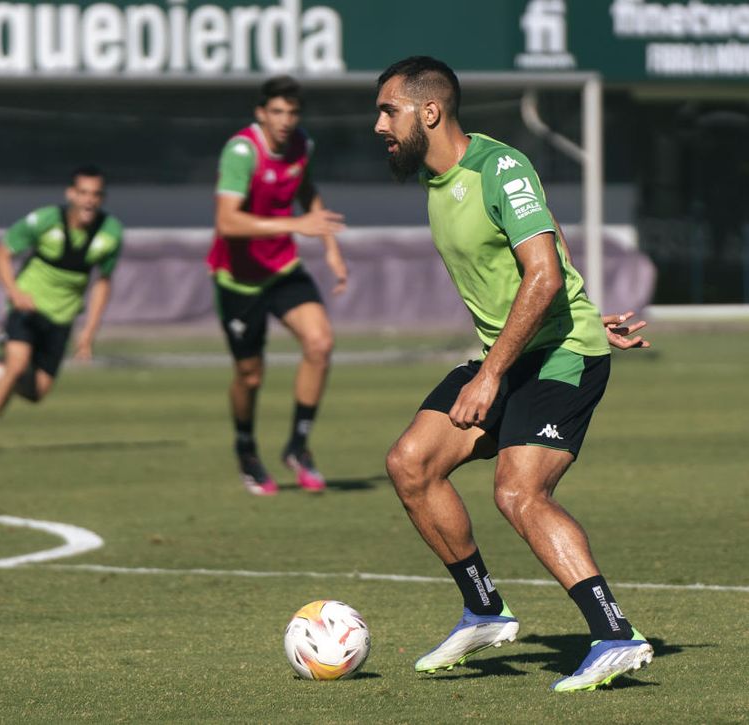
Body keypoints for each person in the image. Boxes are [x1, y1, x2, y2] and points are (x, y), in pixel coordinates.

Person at [374, 56, 653, 692]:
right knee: (410, 464)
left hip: (559, 356)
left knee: (518, 493)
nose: (379, 125)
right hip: (513, 352)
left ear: (430, 112)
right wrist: (580, 305)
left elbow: (544, 273)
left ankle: (615, 635)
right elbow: (548, 244)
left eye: (389, 110)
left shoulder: (499, 167)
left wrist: (494, 372)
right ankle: (484, 611)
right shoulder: (436, 179)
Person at [208, 75, 349, 496]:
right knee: (250, 375)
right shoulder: (242, 152)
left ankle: (298, 447)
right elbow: (227, 222)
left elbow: (307, 190)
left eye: (292, 112)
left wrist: (331, 248)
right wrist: (294, 225)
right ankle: (246, 448)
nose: (285, 120)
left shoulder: (302, 145)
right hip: (238, 279)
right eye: (277, 112)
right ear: (261, 113)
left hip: (282, 268)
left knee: (320, 343)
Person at [0, 165, 122, 457]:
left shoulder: (111, 233)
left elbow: (103, 282)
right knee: (17, 364)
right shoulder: (45, 221)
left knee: (37, 393)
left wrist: (89, 331)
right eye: (83, 193)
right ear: (71, 194)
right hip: (27, 308)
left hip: (62, 318)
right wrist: (14, 292)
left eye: (96, 194)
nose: (89, 200)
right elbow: (1, 253)